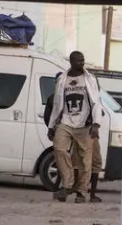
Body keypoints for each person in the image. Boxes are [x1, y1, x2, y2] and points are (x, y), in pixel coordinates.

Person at [45, 51, 108, 203]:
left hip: (84, 125)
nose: (82, 63)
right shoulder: (62, 79)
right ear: (71, 62)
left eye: (83, 60)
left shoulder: (90, 79)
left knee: (87, 161)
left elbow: (96, 102)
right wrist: (52, 126)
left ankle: (82, 193)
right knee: (59, 148)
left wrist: (96, 124)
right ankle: (68, 183)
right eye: (79, 60)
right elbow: (57, 105)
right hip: (66, 121)